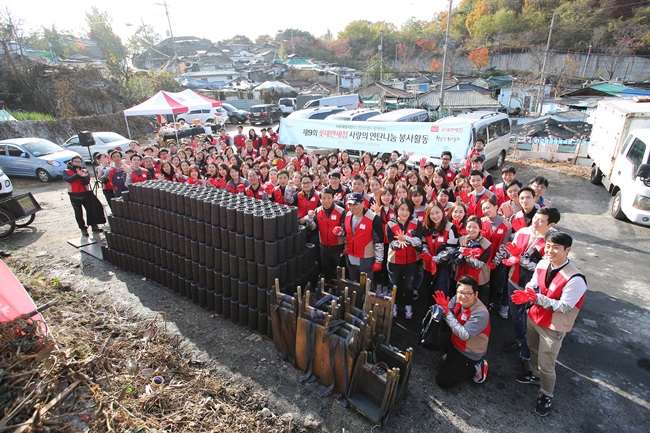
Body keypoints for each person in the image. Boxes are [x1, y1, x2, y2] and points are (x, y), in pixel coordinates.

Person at [511, 231, 587, 417]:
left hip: (552, 327)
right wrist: (530, 291)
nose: (550, 250)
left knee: (547, 364)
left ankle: (546, 394)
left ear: (567, 250)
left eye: (555, 247)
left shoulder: (576, 279)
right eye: (548, 246)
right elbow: (533, 283)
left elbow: (564, 306)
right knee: (533, 349)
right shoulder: (543, 263)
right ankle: (535, 376)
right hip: (535, 317)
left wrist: (536, 298)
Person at [498, 207, 560, 371]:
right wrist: (511, 258)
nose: (535, 222)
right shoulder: (523, 232)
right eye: (535, 218)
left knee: (531, 322)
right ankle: (519, 340)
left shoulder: (553, 241)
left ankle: (528, 354)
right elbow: (512, 252)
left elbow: (544, 269)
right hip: (514, 281)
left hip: (535, 291)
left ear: (551, 224)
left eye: (541, 221)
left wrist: (519, 259)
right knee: (516, 317)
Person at [433, 275, 490, 388]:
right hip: (455, 341)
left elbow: (464, 335)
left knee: (443, 382)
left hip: (468, 351)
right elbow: (448, 308)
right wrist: (442, 308)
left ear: (476, 294)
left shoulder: (481, 314)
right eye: (460, 292)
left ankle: (476, 366)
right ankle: (452, 357)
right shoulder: (459, 297)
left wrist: (447, 313)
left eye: (468, 293)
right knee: (434, 340)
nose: (464, 296)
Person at [386, 197, 423, 319]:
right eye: (402, 209)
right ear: (396, 210)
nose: (404, 212)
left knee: (409, 285)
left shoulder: (416, 222)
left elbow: (418, 241)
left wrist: (407, 239)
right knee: (393, 284)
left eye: (407, 210)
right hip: (394, 260)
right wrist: (398, 244)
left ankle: (408, 305)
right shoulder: (390, 224)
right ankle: (394, 305)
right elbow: (390, 242)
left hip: (411, 260)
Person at [341, 192, 384, 285]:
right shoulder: (347, 215)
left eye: (355, 204)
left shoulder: (373, 218)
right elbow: (346, 235)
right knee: (354, 283)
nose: (352, 207)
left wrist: (378, 261)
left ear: (363, 203)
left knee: (367, 285)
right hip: (351, 256)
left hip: (366, 258)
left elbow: (379, 241)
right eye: (350, 204)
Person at [312, 187, 347, 281]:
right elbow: (314, 227)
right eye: (323, 198)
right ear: (320, 199)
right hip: (323, 246)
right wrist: (309, 221)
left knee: (339, 270)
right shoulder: (317, 211)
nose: (326, 200)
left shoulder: (341, 211)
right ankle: (328, 286)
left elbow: (346, 229)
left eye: (328, 198)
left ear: (333, 198)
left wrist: (340, 231)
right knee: (326, 269)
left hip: (337, 246)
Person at [62, 155, 102, 236]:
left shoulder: (85, 170)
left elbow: (86, 181)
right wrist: (78, 175)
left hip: (85, 194)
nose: (77, 163)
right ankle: (83, 228)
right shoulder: (66, 171)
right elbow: (68, 179)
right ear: (72, 162)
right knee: (78, 213)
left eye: (79, 162)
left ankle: (94, 225)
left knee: (90, 210)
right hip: (74, 195)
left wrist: (82, 176)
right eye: (75, 161)